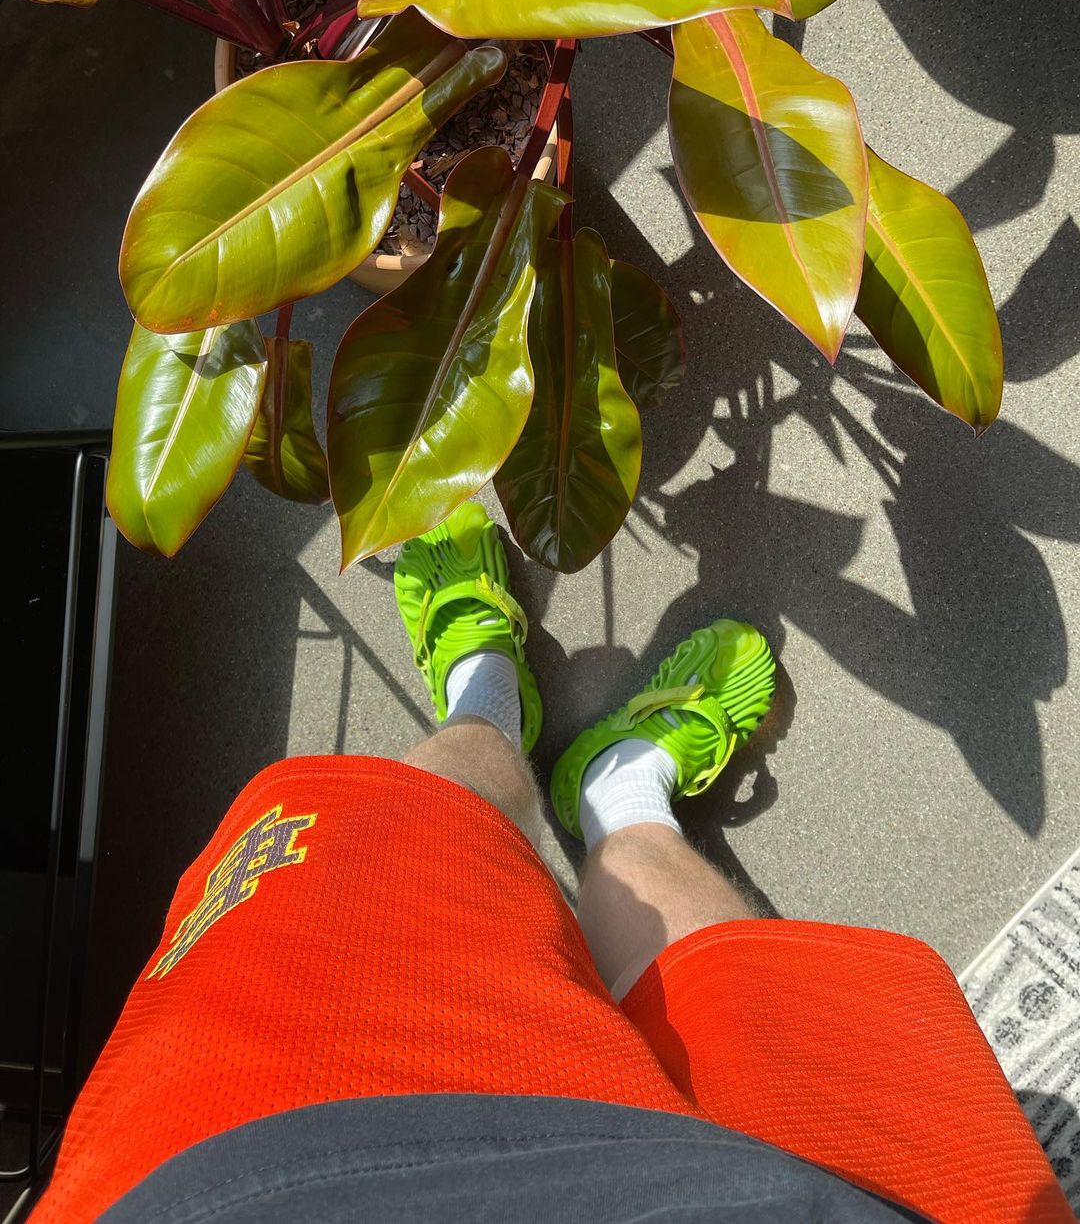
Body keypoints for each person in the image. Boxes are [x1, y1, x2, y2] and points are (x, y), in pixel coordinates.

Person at [31, 505, 1071, 1223]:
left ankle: (488, 702)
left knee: (404, 840)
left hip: (240, 1169)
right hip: (820, 1205)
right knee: (743, 1001)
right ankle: (620, 793)